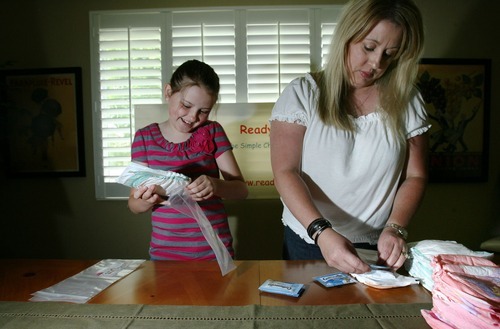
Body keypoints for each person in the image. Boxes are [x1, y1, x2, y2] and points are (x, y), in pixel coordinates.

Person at [269, 0, 429, 274]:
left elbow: (416, 176)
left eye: (390, 54)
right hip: (309, 238)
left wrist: (395, 227)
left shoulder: (408, 101)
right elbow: (286, 171)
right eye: (369, 47)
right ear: (347, 35)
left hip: (378, 242)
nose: (376, 63)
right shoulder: (303, 93)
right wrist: (321, 232)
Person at [128, 59, 248, 261]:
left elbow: (241, 190)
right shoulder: (144, 138)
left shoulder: (213, 131)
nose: (193, 117)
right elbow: (133, 205)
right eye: (186, 105)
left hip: (214, 251)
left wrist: (215, 186)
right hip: (165, 253)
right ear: (168, 93)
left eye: (204, 111)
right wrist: (147, 200)